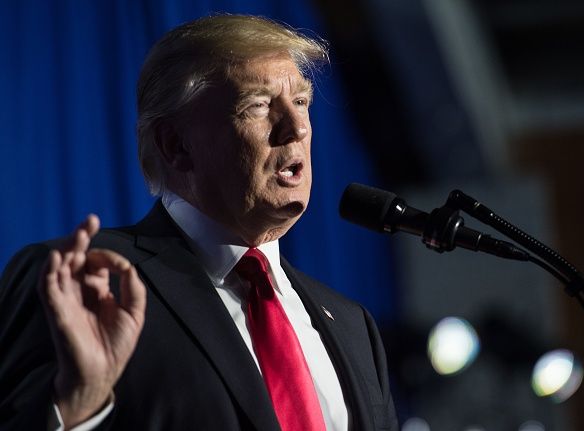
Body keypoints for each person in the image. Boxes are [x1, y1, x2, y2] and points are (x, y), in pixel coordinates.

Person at [0, 14, 397, 431]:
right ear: (176, 146)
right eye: (258, 105)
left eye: (300, 102)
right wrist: (79, 403)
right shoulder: (89, 285)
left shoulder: (354, 327)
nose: (296, 127)